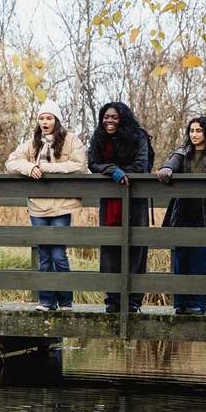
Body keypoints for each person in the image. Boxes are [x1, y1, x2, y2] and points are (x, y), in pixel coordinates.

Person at [4, 100, 86, 311]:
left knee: (59, 253)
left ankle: (65, 301)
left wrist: (49, 168)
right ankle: (47, 301)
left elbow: (79, 166)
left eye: (48, 118)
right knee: (44, 254)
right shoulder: (33, 143)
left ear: (56, 120)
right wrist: (30, 167)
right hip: (38, 206)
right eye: (41, 118)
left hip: (61, 205)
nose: (44, 122)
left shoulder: (71, 140)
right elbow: (11, 161)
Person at [157, 115, 206, 315]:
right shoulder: (183, 152)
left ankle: (197, 304)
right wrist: (166, 168)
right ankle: (181, 303)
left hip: (205, 215)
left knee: (202, 257)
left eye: (199, 131)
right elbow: (171, 162)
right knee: (181, 256)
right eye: (192, 131)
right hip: (182, 213)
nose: (194, 134)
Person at [86, 101, 150, 313]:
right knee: (109, 247)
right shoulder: (99, 138)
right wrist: (112, 170)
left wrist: (122, 172)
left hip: (136, 198)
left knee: (136, 246)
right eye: (106, 117)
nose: (109, 121)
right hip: (110, 199)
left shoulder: (138, 136)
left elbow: (141, 164)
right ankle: (113, 299)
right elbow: (93, 163)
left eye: (113, 117)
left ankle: (132, 301)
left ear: (122, 118)